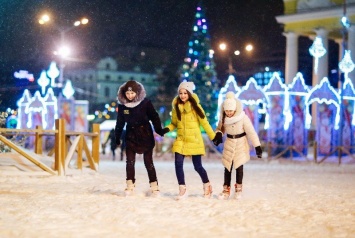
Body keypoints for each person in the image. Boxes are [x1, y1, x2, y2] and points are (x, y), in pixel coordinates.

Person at [161, 81, 218, 200]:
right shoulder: (176, 107)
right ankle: (182, 189)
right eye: (180, 93)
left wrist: (213, 137)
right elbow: (174, 123)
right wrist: (166, 129)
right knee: (178, 164)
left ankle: (207, 185)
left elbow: (205, 123)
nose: (182, 96)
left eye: (185, 93)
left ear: (189, 94)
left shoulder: (196, 107)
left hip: (194, 140)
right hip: (181, 140)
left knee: (197, 167)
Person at [115, 80, 164, 197]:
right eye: (128, 94)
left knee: (148, 162)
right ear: (124, 93)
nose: (130, 96)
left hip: (145, 134)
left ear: (137, 93)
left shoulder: (145, 103)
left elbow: (154, 116)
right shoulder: (122, 106)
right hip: (131, 135)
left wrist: (158, 129)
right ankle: (130, 186)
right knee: (130, 162)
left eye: (132, 93)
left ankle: (154, 186)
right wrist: (117, 136)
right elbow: (120, 122)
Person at [212, 91, 262, 200]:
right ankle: (226, 190)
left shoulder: (243, 117)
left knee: (239, 167)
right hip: (229, 143)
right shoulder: (224, 118)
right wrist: (218, 135)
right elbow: (220, 128)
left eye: (230, 111)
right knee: (227, 167)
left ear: (235, 109)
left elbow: (251, 132)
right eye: (227, 111)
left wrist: (257, 146)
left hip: (240, 143)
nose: (229, 113)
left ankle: (238, 190)